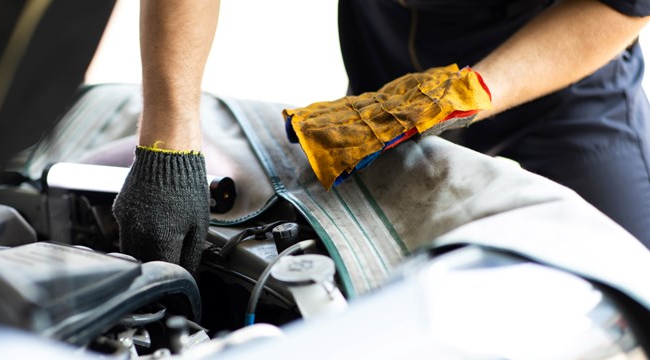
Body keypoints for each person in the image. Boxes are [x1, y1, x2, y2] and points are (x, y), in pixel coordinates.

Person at [113, 0, 650, 275]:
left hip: (560, 91)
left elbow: (621, 5)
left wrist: (471, 91)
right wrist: (169, 142)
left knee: (620, 288)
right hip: (389, 66)